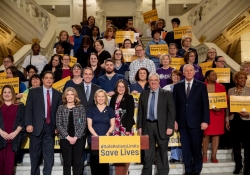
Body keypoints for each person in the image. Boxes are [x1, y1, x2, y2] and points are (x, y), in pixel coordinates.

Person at [173, 64, 210, 175]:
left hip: (197, 122)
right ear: (183, 73)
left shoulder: (201, 85)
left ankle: (197, 169)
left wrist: (205, 120)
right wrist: (174, 120)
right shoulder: (177, 86)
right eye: (186, 71)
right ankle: (188, 169)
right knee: (186, 148)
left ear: (194, 72)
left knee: (196, 147)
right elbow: (174, 105)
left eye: (191, 70)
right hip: (182, 122)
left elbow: (205, 104)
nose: (189, 72)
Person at [137, 72, 175, 175]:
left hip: (162, 126)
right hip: (147, 126)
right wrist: (139, 126)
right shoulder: (144, 94)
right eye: (151, 80)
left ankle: (163, 173)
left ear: (159, 81)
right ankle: (147, 172)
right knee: (148, 153)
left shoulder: (167, 94)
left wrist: (170, 126)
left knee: (163, 151)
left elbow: (171, 112)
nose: (153, 82)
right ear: (148, 82)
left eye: (155, 80)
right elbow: (140, 112)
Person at [25, 71, 62, 175]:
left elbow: (59, 112)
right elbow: (28, 109)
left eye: (51, 78)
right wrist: (28, 124)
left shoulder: (58, 94)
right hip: (35, 127)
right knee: (35, 154)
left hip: (50, 127)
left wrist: (58, 126)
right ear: (42, 79)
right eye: (46, 78)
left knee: (49, 155)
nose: (49, 80)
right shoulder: (33, 92)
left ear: (54, 80)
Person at [56, 87, 86, 175]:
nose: (70, 96)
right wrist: (68, 137)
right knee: (67, 163)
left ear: (75, 96)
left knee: (77, 163)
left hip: (79, 139)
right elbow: (58, 124)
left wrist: (76, 136)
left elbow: (83, 123)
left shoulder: (81, 107)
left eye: (72, 94)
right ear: (65, 96)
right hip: (65, 139)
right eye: (68, 94)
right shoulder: (61, 108)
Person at [226, 71, 250, 175]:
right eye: (240, 78)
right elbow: (227, 107)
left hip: (247, 121)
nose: (243, 80)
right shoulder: (230, 90)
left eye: (244, 78)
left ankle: (247, 167)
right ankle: (238, 165)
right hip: (234, 119)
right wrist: (227, 119)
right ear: (236, 80)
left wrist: (248, 113)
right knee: (236, 144)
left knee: (248, 145)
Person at [87, 89, 115, 175]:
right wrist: (96, 136)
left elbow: (112, 125)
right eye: (99, 96)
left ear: (105, 98)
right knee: (94, 164)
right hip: (94, 140)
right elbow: (89, 126)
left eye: (102, 96)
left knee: (104, 165)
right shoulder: (91, 110)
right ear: (95, 98)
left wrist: (106, 135)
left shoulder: (110, 110)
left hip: (106, 140)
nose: (101, 98)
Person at [110, 80, 135, 175]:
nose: (121, 88)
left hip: (125, 128)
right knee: (117, 150)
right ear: (116, 88)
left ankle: (125, 171)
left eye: (123, 87)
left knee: (126, 151)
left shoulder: (129, 97)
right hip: (115, 127)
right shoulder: (113, 98)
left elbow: (130, 114)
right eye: (119, 86)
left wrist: (128, 130)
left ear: (126, 88)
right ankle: (119, 171)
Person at [0, 85, 26, 175]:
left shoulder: (20, 105)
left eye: (9, 92)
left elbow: (23, 120)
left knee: (8, 168)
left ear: (13, 94)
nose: (7, 94)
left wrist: (15, 133)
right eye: (5, 92)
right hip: (0, 140)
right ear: (2, 94)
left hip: (13, 141)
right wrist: (1, 132)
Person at [202, 70, 226, 163]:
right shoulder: (202, 85)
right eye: (212, 75)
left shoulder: (221, 87)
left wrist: (219, 109)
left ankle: (214, 156)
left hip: (217, 115)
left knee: (216, 135)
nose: (215, 76)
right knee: (206, 134)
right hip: (206, 113)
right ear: (207, 77)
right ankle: (204, 155)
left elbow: (224, 101)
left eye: (215, 74)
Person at [163, 70, 183, 163]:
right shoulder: (166, 88)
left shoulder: (184, 86)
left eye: (178, 75)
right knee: (173, 134)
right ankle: (174, 156)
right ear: (171, 77)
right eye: (174, 75)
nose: (176, 77)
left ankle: (182, 155)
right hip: (169, 115)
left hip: (182, 114)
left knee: (182, 135)